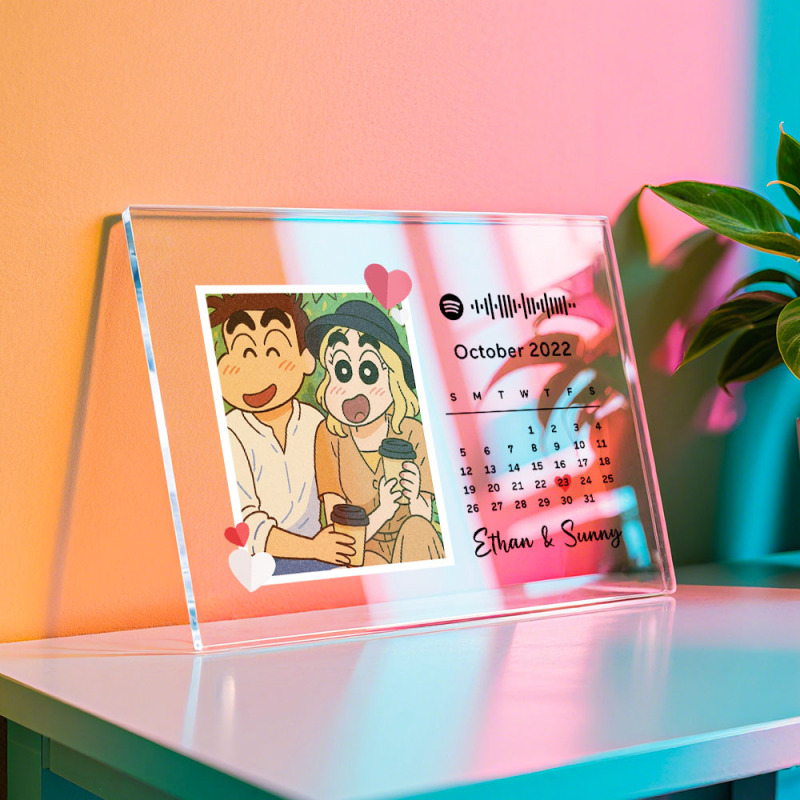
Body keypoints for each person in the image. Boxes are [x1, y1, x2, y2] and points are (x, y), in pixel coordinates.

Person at [207, 293, 355, 573]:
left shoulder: (314, 422)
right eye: (244, 352)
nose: (257, 369)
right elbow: (247, 524)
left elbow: (333, 491)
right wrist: (314, 548)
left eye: (273, 351)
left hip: (318, 554)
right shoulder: (230, 431)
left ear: (305, 360)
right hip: (262, 563)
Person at [305, 300, 445, 565]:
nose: (354, 389)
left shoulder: (412, 432)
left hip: (414, 543)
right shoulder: (329, 436)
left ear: (392, 376)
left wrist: (415, 497)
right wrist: (384, 510)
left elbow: (423, 519)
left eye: (368, 372)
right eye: (342, 371)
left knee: (417, 529)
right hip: (363, 552)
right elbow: (342, 537)